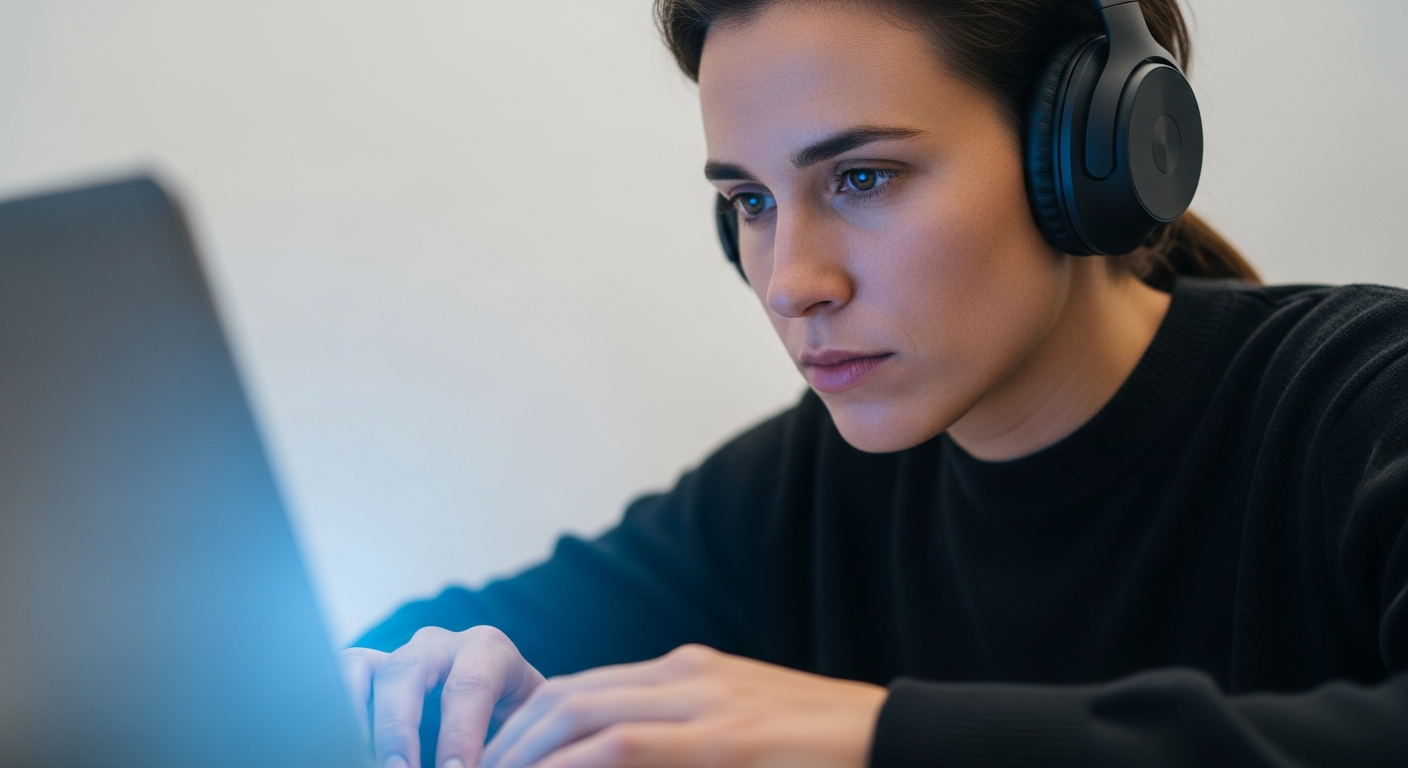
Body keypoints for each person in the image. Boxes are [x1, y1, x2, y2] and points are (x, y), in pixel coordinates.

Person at [338, 1, 1408, 766]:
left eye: (861, 177)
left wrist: (872, 736)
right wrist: (409, 678)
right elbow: (392, 650)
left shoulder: (1361, 397)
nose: (791, 283)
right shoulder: (801, 492)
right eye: (750, 203)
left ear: (1088, 157)